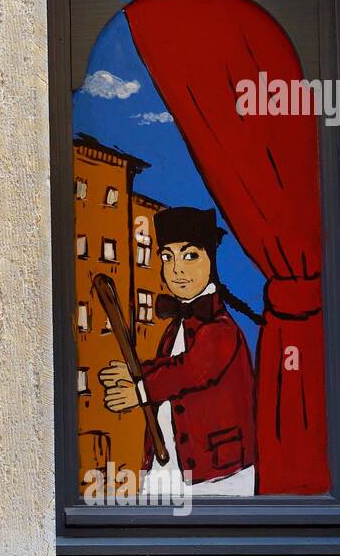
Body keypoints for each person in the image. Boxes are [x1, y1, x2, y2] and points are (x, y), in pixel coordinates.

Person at [99, 206, 259, 496]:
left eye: (190, 256)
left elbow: (191, 369)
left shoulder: (221, 327)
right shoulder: (177, 326)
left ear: (211, 259)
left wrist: (140, 390)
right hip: (170, 465)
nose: (177, 269)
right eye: (167, 257)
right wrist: (136, 373)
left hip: (219, 473)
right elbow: (169, 365)